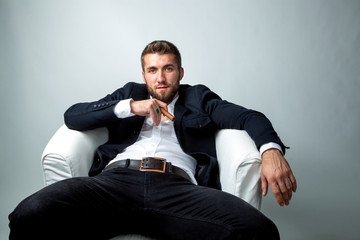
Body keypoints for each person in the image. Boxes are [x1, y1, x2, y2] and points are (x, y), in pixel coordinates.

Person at [9, 40, 297, 240]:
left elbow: (249, 117)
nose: (161, 78)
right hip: (114, 184)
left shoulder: (197, 97)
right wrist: (129, 107)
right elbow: (73, 116)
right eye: (153, 70)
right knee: (28, 214)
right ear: (144, 75)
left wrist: (271, 151)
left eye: (168, 69)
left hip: (178, 190)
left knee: (260, 230)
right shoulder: (130, 93)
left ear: (180, 73)